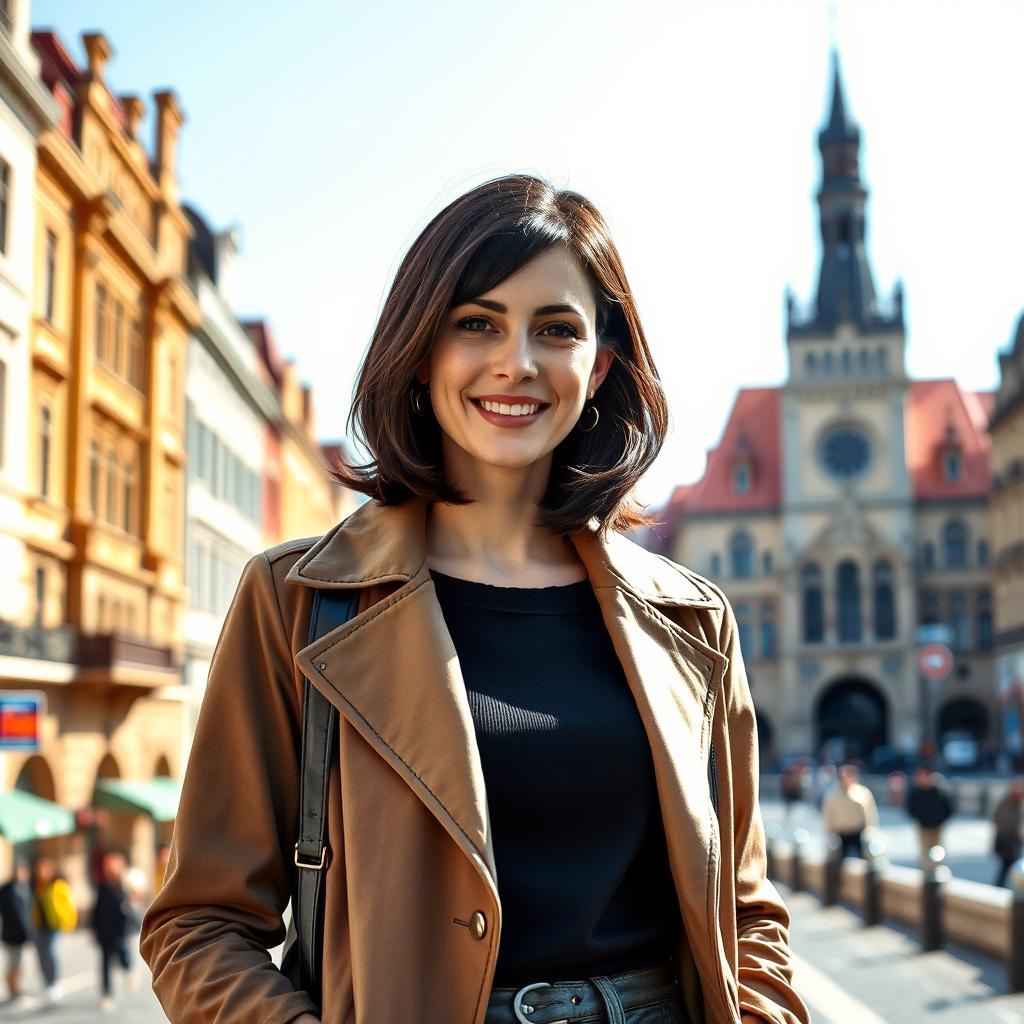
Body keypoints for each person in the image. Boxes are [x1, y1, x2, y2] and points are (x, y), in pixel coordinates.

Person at [139, 174, 810, 1024]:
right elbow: (196, 922)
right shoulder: (297, 601)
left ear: (599, 366)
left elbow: (747, 916)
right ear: (421, 350)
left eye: (556, 329)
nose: (516, 362)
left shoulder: (692, 622)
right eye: (477, 323)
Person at [90, 850, 141, 1011]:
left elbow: (133, 906)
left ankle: (129, 970)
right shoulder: (102, 886)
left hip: (121, 930)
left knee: (123, 955)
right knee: (105, 963)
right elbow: (96, 910)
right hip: (105, 930)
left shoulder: (125, 885)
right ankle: (107, 994)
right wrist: (93, 929)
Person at [28, 855, 77, 1005]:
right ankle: (47, 983)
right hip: (39, 926)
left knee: (50, 952)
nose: (41, 872)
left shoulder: (58, 885)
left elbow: (68, 905)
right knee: (41, 955)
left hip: (53, 926)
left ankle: (53, 982)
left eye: (44, 869)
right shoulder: (35, 886)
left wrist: (68, 922)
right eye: (39, 869)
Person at [822, 764, 878, 859]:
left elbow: (870, 814)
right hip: (840, 835)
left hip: (858, 834)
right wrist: (829, 834)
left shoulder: (863, 793)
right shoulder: (832, 795)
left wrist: (870, 830)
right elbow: (828, 815)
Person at [905, 763, 955, 868]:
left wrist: (941, 820)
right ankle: (927, 872)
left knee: (938, 849)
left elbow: (949, 807)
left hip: (937, 826)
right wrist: (919, 818)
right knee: (925, 851)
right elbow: (910, 808)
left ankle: (938, 869)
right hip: (923, 826)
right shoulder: (917, 791)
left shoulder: (939, 790)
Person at [0, 860, 34, 1004]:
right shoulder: (7, 890)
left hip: (21, 932)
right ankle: (13, 990)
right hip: (12, 932)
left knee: (19, 963)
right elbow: (13, 913)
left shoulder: (23, 888)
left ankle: (15, 989)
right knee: (15, 962)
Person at [992, 779, 1024, 888]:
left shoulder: (1019, 804)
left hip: (1014, 842)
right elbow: (998, 818)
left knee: (1011, 866)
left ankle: (1007, 885)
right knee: (1006, 866)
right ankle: (1000, 886)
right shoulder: (1005, 802)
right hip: (1006, 840)